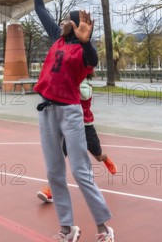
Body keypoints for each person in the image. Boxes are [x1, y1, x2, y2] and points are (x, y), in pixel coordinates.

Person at [32, 0, 114, 242]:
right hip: (46, 110)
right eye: (68, 18)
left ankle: (104, 227)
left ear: (81, 27)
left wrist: (87, 40)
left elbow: (93, 60)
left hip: (69, 112)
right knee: (54, 172)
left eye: (73, 19)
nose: (67, 21)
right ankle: (68, 228)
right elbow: (39, 8)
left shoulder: (84, 52)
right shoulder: (57, 37)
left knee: (80, 172)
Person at [37, 72, 117, 204]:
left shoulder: (87, 86)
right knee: (59, 158)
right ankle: (50, 191)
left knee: (98, 156)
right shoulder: (68, 85)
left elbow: (84, 95)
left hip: (86, 127)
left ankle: (105, 158)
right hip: (70, 127)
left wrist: (70, 83)